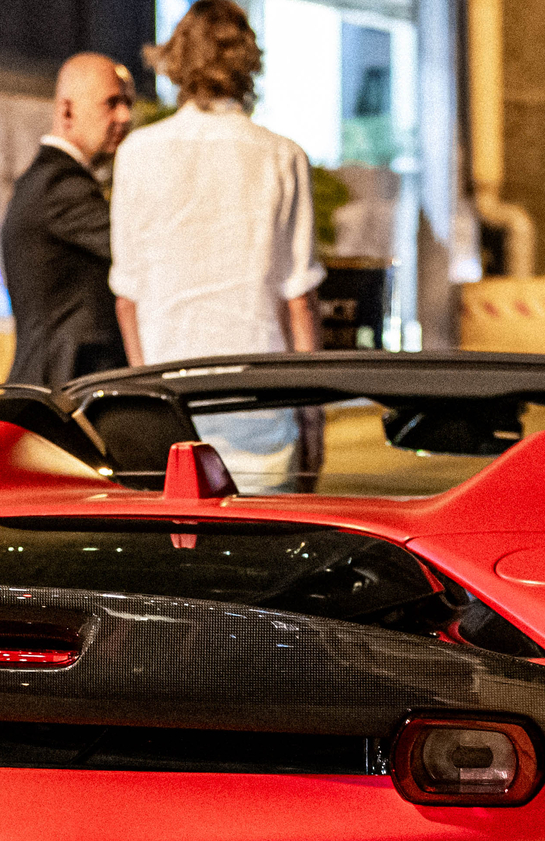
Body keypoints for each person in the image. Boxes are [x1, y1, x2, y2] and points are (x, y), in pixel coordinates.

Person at [108, 0, 325, 487]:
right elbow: (299, 304)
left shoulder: (136, 155)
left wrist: (152, 407)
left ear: (176, 61)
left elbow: (128, 302)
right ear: (248, 61)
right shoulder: (283, 157)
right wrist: (312, 418)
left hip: (173, 424)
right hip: (263, 418)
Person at [0, 53, 137, 388]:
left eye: (128, 103)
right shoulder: (60, 185)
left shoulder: (51, 180)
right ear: (67, 110)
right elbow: (135, 250)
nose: (126, 116)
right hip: (67, 389)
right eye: (112, 103)